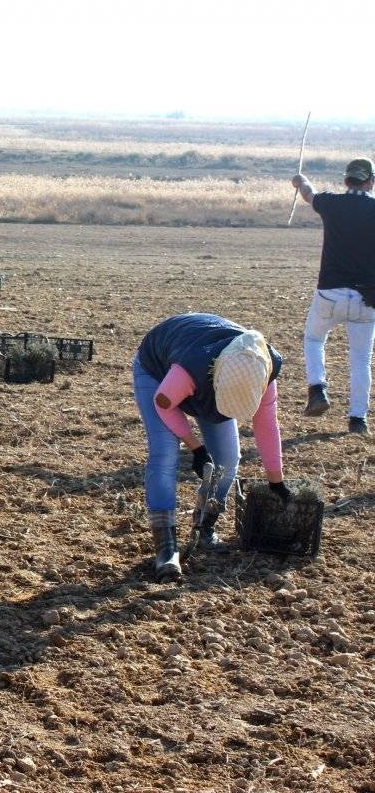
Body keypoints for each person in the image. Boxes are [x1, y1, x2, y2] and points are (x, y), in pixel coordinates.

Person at [133, 313, 287, 581]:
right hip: (157, 372)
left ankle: (205, 524)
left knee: (228, 458)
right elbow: (164, 404)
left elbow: (267, 427)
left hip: (205, 385)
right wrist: (195, 448)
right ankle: (165, 545)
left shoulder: (262, 369)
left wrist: (277, 482)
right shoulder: (189, 370)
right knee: (165, 454)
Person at [292, 157, 375, 435]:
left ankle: (317, 388)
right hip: (367, 298)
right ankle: (357, 420)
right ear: (371, 181)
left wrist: (300, 180)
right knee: (361, 360)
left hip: (330, 293)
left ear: (345, 181)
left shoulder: (330, 203)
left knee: (314, 338)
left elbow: (308, 194)